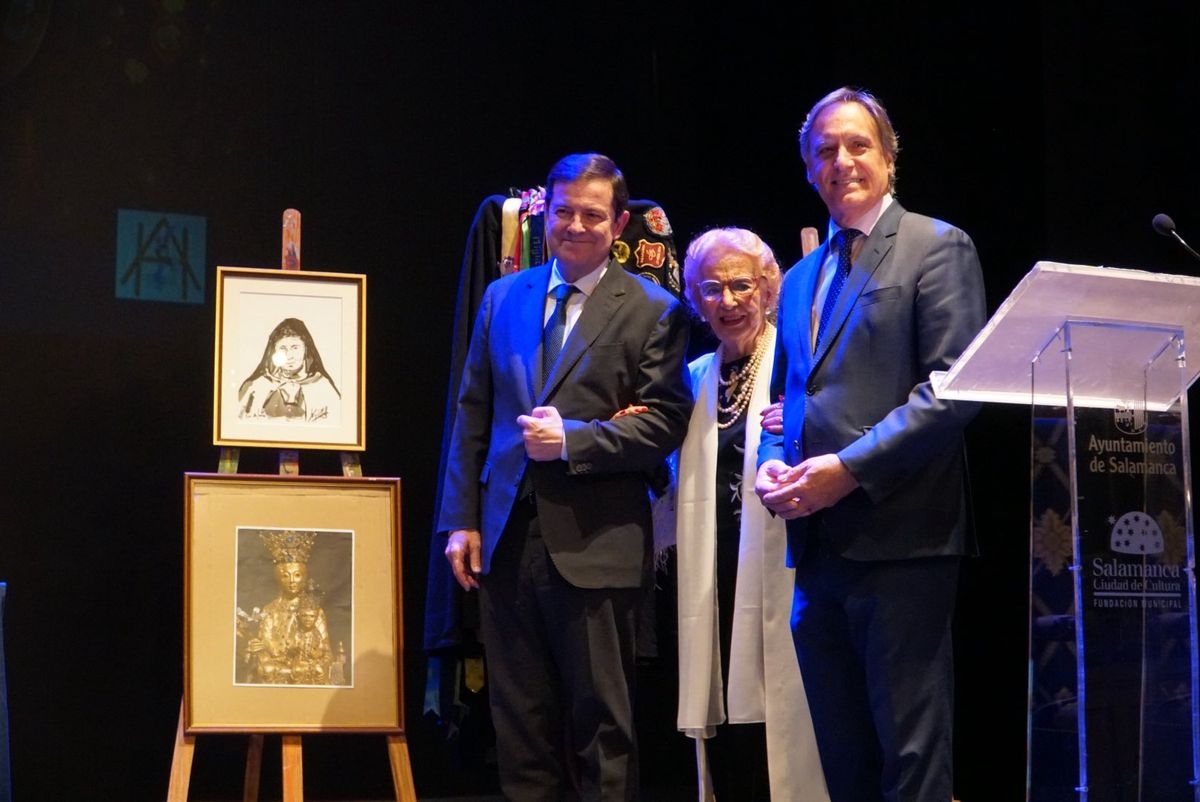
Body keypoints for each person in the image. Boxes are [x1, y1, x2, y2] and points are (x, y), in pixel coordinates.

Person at [754, 86, 986, 802]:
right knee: (843, 758)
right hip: (818, 551)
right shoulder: (796, 281)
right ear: (808, 169)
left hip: (904, 544)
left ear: (888, 158)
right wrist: (773, 471)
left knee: (911, 757)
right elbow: (791, 404)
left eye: (858, 145)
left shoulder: (936, 246)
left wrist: (848, 472)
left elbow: (954, 390)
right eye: (825, 150)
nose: (842, 161)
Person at [437, 152, 693, 801]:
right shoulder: (503, 298)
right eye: (564, 211)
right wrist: (462, 519)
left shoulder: (653, 309)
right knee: (519, 727)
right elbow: (472, 412)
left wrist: (574, 441)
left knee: (602, 729)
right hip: (504, 544)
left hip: (597, 546)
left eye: (592, 214)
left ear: (617, 224)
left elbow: (665, 423)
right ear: (545, 213)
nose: (576, 225)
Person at [672, 227, 829, 802]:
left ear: (769, 291)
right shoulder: (690, 380)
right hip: (713, 575)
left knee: (786, 716)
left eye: (743, 285)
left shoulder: (797, 373)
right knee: (727, 718)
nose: (728, 301)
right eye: (711, 288)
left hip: (784, 572)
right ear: (695, 298)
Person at [237, 317, 341, 422]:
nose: (289, 355)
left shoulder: (323, 388)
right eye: (282, 349)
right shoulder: (256, 386)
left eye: (295, 348)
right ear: (274, 351)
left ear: (306, 349)